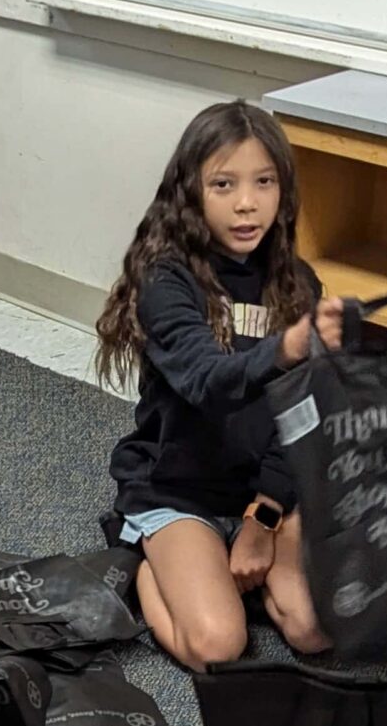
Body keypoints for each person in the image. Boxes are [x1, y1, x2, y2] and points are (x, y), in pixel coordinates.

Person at [93, 100, 346, 670]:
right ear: (190, 193)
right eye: (224, 184)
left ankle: (234, 563)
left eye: (264, 182)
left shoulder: (297, 282)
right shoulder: (166, 280)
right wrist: (283, 350)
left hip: (266, 485)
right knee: (217, 647)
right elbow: (208, 381)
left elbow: (305, 411)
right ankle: (148, 563)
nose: (246, 203)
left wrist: (266, 513)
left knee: (314, 632)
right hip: (179, 485)